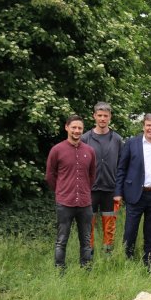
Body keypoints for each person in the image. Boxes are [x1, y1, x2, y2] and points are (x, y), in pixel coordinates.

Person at [114, 114, 151, 267]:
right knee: (130, 231)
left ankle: (149, 263)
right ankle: (128, 261)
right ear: (143, 126)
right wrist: (118, 192)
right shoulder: (131, 143)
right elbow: (121, 169)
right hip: (135, 194)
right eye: (148, 125)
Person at [45, 115, 96, 269]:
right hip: (65, 203)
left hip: (85, 203)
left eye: (80, 128)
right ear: (67, 127)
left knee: (86, 240)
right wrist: (61, 190)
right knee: (61, 240)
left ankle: (86, 268)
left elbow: (92, 175)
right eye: (74, 127)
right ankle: (59, 269)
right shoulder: (57, 150)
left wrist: (85, 190)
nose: (77, 130)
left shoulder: (89, 151)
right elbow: (50, 175)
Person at [81, 102, 123, 254]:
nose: (102, 118)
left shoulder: (117, 139)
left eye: (105, 115)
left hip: (110, 190)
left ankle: (108, 255)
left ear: (110, 117)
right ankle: (88, 255)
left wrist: (119, 190)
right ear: (94, 116)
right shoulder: (85, 138)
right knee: (88, 224)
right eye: (100, 115)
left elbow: (121, 166)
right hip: (90, 190)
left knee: (109, 225)